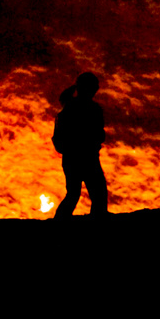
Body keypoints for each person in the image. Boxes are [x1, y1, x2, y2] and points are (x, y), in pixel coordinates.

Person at [52, 72, 108, 218]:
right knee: (98, 194)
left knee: (73, 194)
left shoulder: (68, 108)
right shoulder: (93, 109)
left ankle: (59, 224)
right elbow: (98, 134)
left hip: (71, 159)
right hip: (88, 158)